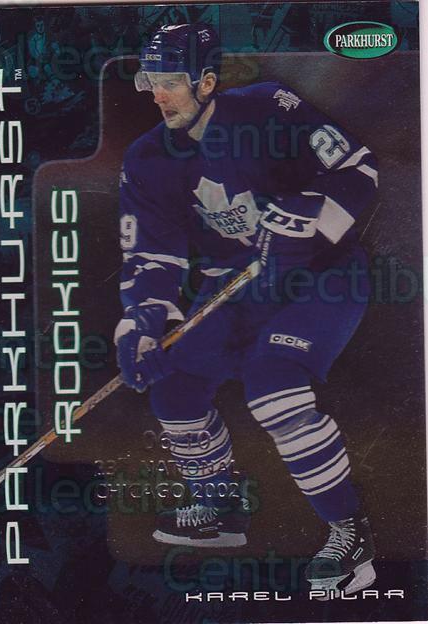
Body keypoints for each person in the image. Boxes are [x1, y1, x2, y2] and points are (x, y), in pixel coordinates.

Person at [114, 23, 378, 596]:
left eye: (169, 81)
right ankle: (220, 509)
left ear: (207, 81)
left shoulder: (267, 108)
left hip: (319, 275)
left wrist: (308, 219)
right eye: (149, 81)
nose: (156, 95)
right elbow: (151, 257)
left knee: (272, 382)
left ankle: (350, 532)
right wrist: (143, 323)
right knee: (173, 384)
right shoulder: (146, 159)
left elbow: (358, 169)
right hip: (233, 289)